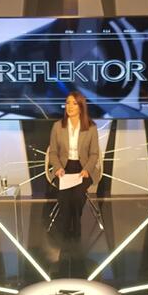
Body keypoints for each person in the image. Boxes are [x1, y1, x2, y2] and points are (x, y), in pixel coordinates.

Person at [49, 91, 100, 237]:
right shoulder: (57, 126)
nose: (69, 106)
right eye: (67, 103)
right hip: (64, 167)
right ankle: (65, 228)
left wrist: (87, 170)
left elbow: (94, 154)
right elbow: (53, 152)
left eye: (74, 103)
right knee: (64, 197)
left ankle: (76, 224)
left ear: (81, 107)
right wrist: (58, 168)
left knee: (77, 196)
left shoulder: (91, 127)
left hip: (83, 167)